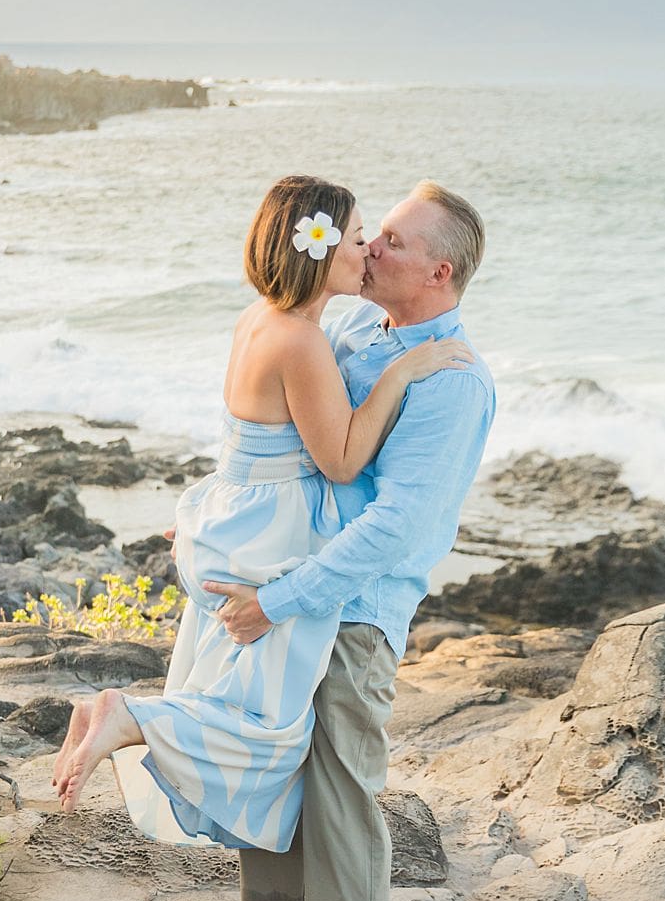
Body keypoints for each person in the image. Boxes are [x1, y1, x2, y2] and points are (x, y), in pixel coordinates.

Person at [52, 176, 470, 865]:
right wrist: (401, 374)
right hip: (267, 537)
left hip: (233, 516)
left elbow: (263, 435)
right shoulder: (303, 340)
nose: (367, 251)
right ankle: (128, 719)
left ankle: (120, 720)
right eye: (360, 237)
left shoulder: (265, 320)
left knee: (240, 701)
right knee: (266, 727)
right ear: (322, 249)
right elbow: (338, 461)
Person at [201, 182, 496, 901]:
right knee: (277, 759)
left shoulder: (452, 381)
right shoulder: (357, 328)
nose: (370, 251)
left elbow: (397, 528)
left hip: (352, 607)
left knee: (339, 794)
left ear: (438, 272)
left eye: (392, 243)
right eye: (371, 236)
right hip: (292, 577)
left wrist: (282, 599)